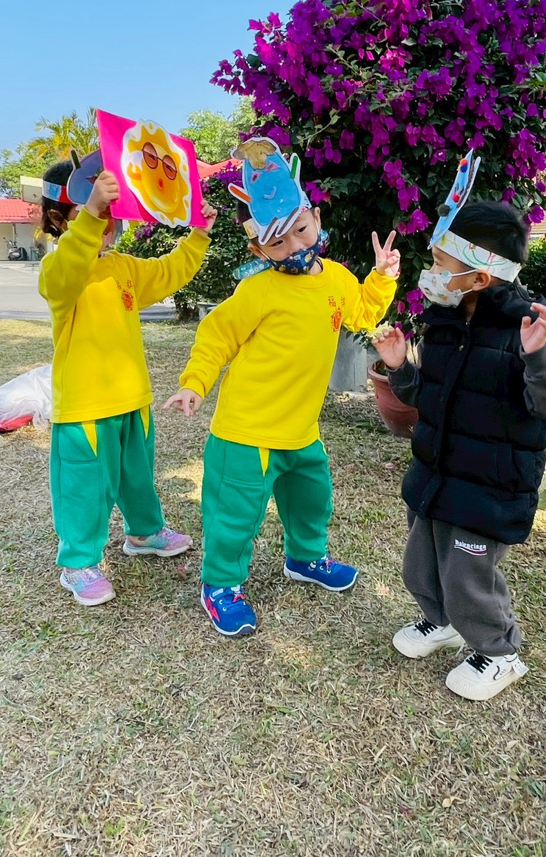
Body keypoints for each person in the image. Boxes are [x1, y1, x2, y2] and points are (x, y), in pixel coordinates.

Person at [372, 200, 546, 700]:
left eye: (440, 264)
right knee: (421, 564)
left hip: (489, 488)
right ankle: (441, 621)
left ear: (480, 277)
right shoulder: (444, 325)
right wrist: (401, 367)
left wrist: (537, 357)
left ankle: (500, 652)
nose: (431, 273)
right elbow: (428, 398)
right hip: (434, 477)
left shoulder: (524, 330)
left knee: (469, 578)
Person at [164, 200, 400, 636]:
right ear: (258, 249)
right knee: (235, 517)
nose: (294, 247)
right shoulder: (257, 290)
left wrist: (382, 277)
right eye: (277, 242)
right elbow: (217, 337)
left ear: (316, 219)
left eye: (302, 231)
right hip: (245, 433)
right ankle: (220, 584)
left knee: (312, 500)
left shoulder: (335, 278)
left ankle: (305, 558)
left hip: (302, 430)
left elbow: (363, 311)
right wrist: (194, 383)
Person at [39, 160, 217, 606]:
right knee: (84, 488)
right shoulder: (58, 269)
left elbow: (169, 271)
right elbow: (67, 273)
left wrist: (199, 235)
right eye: (94, 210)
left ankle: (143, 532)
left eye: (110, 211)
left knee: (137, 477)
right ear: (60, 218)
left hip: (132, 400)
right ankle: (78, 562)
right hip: (83, 409)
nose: (106, 220)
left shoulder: (123, 267)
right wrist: (90, 215)